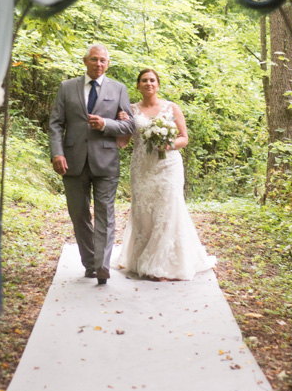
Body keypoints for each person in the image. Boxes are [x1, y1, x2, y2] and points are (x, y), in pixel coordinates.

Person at [117, 68, 215, 280]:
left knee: (168, 209)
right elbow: (122, 143)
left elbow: (184, 138)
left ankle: (162, 265)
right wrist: (119, 122)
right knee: (143, 212)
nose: (148, 83)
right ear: (138, 85)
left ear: (158, 84)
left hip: (168, 167)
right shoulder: (130, 109)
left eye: (152, 80)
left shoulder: (172, 107)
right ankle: (142, 257)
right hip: (141, 168)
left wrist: (167, 144)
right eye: (144, 80)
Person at [49, 44, 135, 285]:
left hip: (106, 161)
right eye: (94, 60)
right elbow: (56, 123)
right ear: (85, 61)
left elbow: (129, 126)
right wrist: (57, 153)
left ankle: (103, 266)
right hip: (73, 161)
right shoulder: (67, 88)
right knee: (79, 214)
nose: (99, 64)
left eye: (103, 61)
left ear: (108, 64)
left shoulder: (119, 89)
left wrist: (106, 124)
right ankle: (90, 263)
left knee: (105, 213)